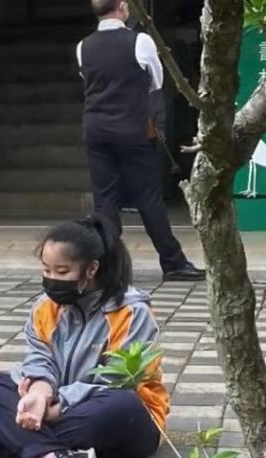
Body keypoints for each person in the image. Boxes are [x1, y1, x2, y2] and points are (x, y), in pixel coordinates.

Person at [0, 217, 169, 458]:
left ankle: (15, 444)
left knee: (122, 405)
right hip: (57, 405)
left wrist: (56, 408)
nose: (52, 279)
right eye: (46, 270)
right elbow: (39, 357)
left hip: (119, 416)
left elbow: (118, 381)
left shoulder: (132, 313)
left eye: (62, 272)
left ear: (91, 269)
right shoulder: (45, 307)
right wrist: (40, 392)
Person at [77, 0, 205, 282]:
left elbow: (88, 79)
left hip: (95, 129)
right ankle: (173, 262)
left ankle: (106, 267)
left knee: (105, 200)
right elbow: (156, 82)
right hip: (130, 128)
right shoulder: (141, 41)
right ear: (123, 8)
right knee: (148, 197)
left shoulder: (83, 46)